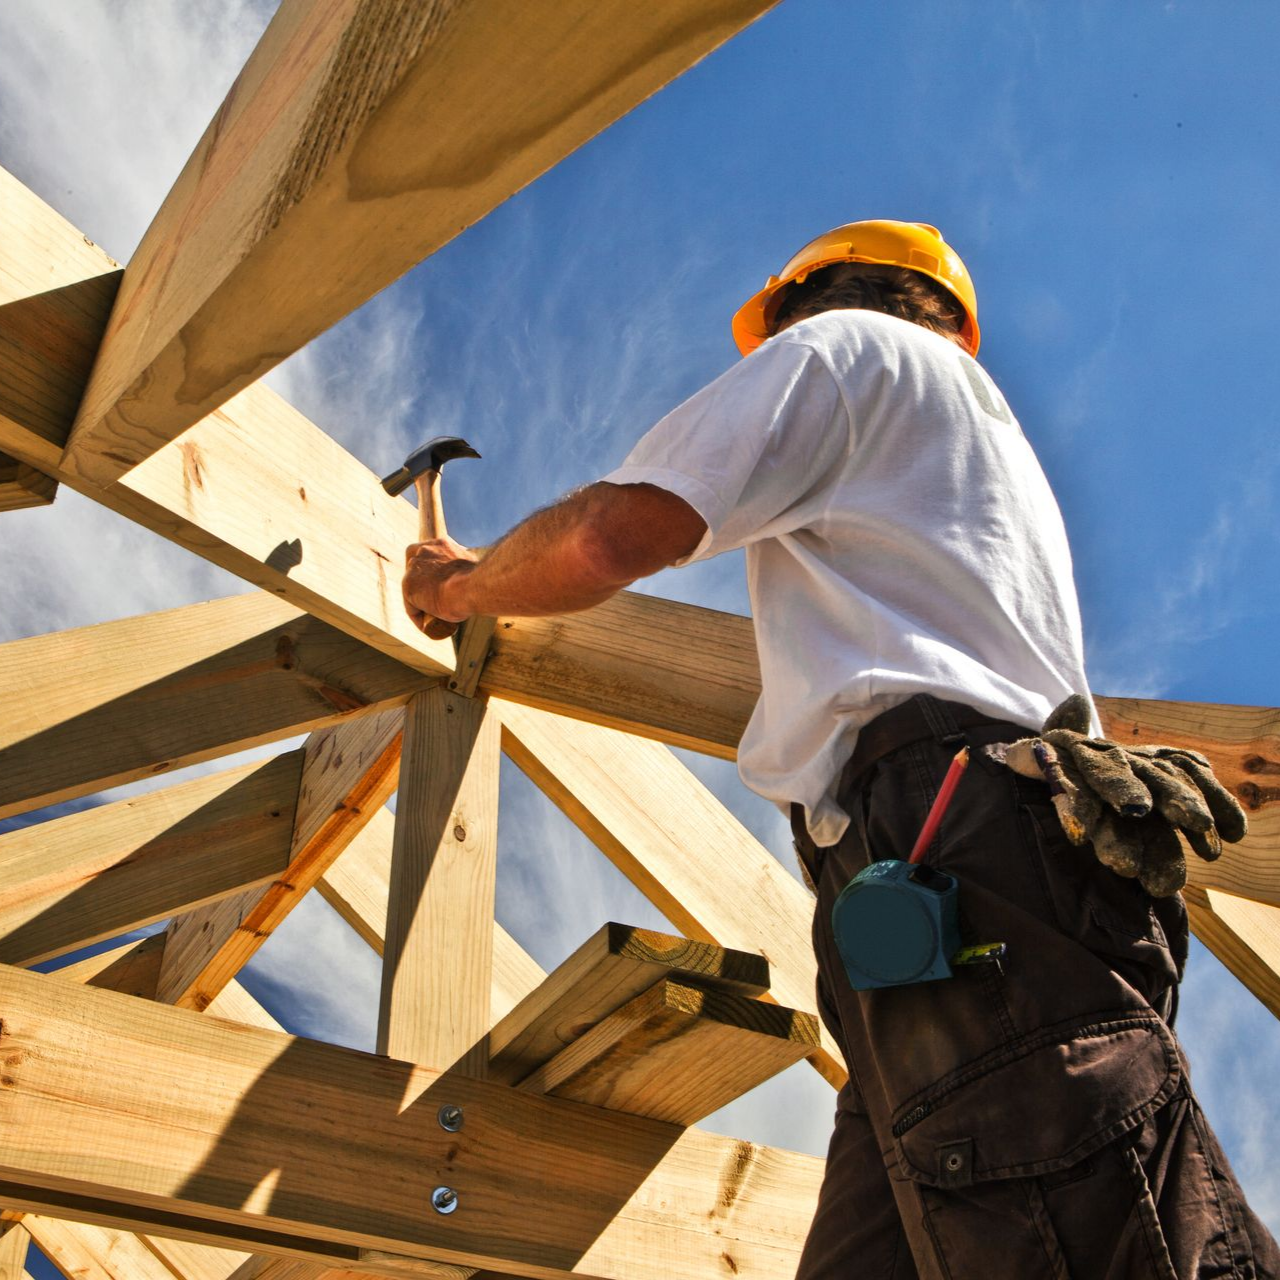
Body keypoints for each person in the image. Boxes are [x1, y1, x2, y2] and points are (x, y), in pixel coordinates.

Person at [401, 220, 1278, 1278]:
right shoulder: (966, 445)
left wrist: (459, 584)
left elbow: (606, 537)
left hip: (954, 854)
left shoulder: (842, 350)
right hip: (949, 892)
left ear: (803, 303)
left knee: (1065, 1220)